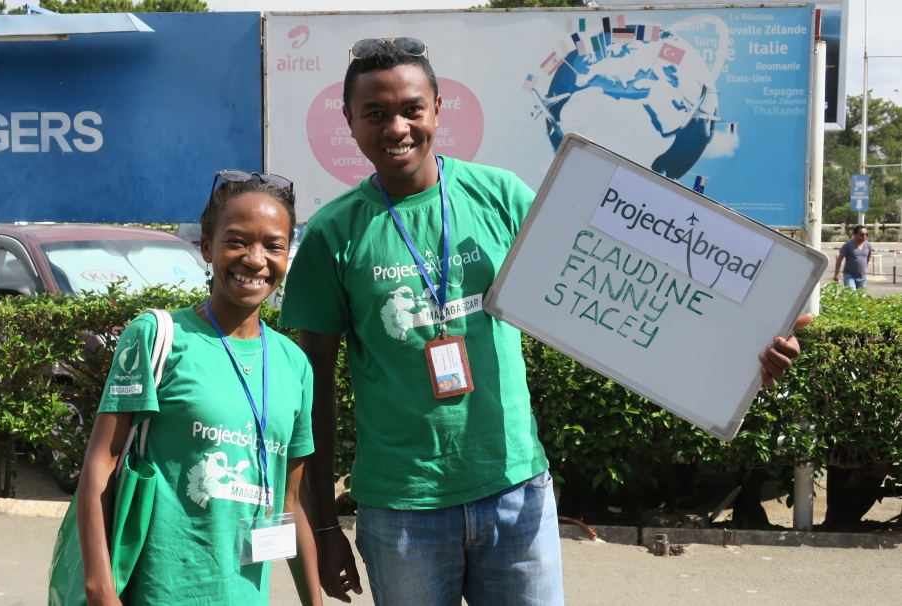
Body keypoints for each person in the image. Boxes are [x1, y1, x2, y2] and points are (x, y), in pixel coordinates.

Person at [279, 38, 809, 606]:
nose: (397, 127)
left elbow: (625, 286)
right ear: (350, 121)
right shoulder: (335, 234)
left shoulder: (501, 196)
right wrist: (326, 527)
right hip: (403, 510)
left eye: (412, 108)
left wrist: (742, 353)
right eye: (376, 114)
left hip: (516, 493)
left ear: (437, 107)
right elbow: (314, 397)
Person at [77, 171, 322, 606]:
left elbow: (290, 504)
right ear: (206, 247)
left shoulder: (294, 365)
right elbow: (102, 460)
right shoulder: (156, 335)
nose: (255, 259)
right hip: (159, 594)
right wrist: (100, 588)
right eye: (237, 241)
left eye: (273, 245)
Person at [833, 225, 874, 290]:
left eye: (866, 234)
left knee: (861, 298)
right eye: (862, 234)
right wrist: (836, 274)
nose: (864, 236)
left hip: (862, 277)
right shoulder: (848, 245)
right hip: (849, 276)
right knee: (852, 296)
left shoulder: (868, 245)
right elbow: (839, 259)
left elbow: (868, 258)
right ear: (855, 234)